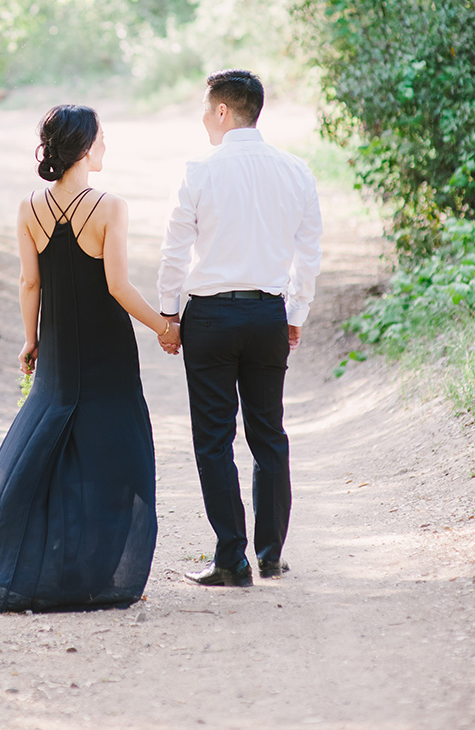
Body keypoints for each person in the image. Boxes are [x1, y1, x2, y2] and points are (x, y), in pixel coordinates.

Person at [0, 104, 180, 613]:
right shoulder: (109, 206)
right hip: (106, 346)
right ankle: (100, 570)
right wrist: (164, 328)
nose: (106, 147)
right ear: (83, 147)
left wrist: (28, 339)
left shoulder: (29, 207)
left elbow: (30, 281)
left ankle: (11, 558)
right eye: (101, 138)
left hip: (57, 344)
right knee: (115, 448)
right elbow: (117, 285)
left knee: (45, 441)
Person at [157, 69, 322, 587]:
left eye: (207, 110)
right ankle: (271, 554)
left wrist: (168, 314)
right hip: (268, 315)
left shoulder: (200, 171)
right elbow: (309, 252)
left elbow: (175, 250)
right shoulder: (296, 171)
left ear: (224, 111)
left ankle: (232, 558)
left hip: (210, 317)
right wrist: (295, 314)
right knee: (268, 433)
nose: (204, 119)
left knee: (213, 439)